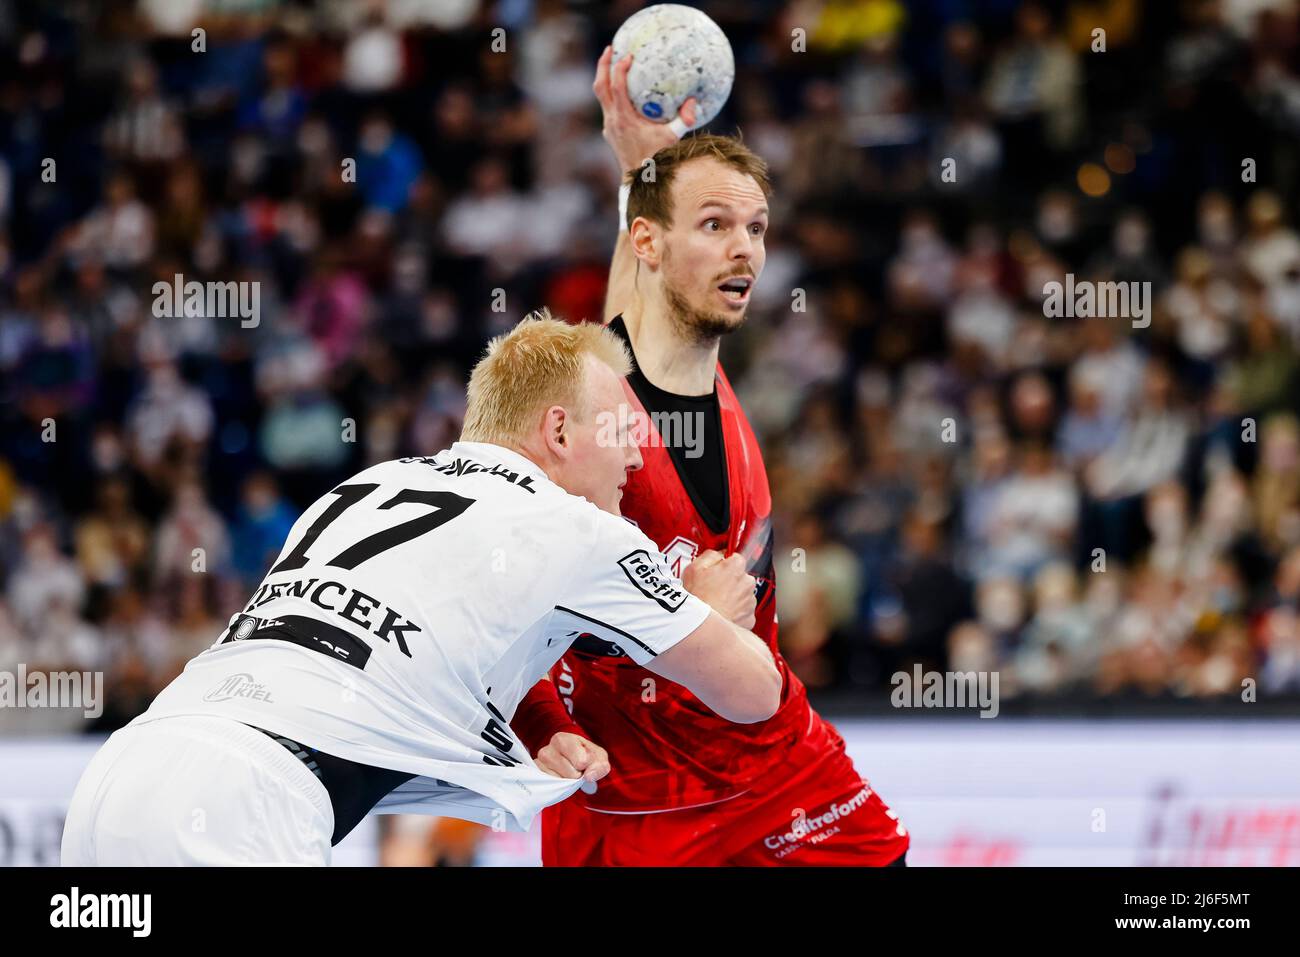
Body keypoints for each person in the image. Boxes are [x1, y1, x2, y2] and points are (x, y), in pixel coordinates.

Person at [60, 312, 780, 866]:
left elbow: (426, 633)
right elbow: (752, 694)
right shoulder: (577, 528)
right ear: (558, 430)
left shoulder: (369, 485)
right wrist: (709, 610)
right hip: (247, 801)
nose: (635, 455)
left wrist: (541, 725)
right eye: (624, 429)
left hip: (122, 773)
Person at [509, 49, 910, 866]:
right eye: (717, 226)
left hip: (773, 759)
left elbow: (634, 305)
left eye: (756, 229)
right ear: (654, 244)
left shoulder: (675, 356)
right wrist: (681, 621)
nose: (745, 252)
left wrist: (640, 166)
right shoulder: (583, 422)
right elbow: (508, 615)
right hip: (635, 795)